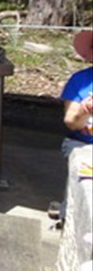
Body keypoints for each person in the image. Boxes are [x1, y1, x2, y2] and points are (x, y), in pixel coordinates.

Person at [54, 29, 93, 223]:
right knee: (82, 175)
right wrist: (84, 111)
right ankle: (68, 217)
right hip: (82, 141)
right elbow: (71, 122)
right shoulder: (80, 81)